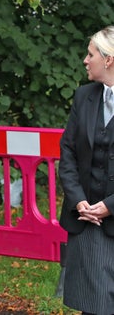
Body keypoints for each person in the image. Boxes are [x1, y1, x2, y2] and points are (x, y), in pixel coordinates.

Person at [59, 25, 114, 315]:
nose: (85, 60)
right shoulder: (84, 96)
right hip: (89, 218)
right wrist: (78, 197)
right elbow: (67, 151)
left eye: (90, 54)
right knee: (92, 307)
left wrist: (110, 205)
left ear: (108, 59)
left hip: (110, 211)